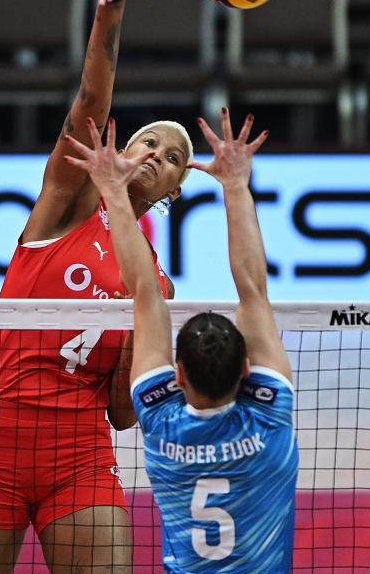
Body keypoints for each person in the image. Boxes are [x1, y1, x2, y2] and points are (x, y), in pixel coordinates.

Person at [0, 0, 193, 572]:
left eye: (173, 158)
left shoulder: (155, 283)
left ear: (174, 190)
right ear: (119, 150)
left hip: (78, 454)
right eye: (149, 141)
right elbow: (89, 104)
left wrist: (140, 343)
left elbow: (122, 412)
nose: (157, 155)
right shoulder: (70, 203)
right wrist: (110, 13)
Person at [63, 107, 299, 572]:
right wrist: (236, 186)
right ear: (247, 371)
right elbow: (252, 288)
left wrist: (113, 192)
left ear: (178, 375)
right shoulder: (270, 418)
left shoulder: (160, 419)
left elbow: (144, 293)